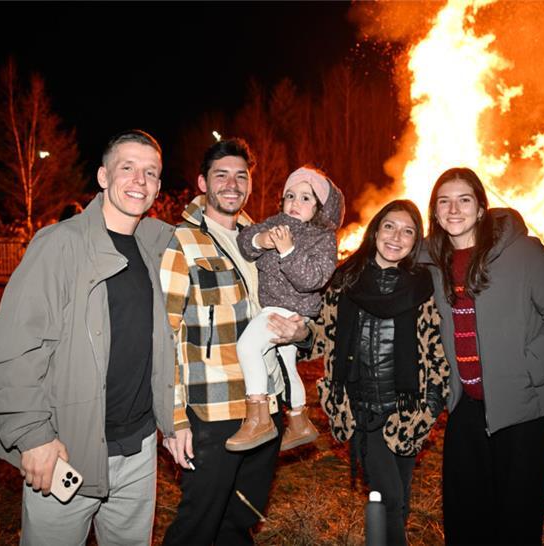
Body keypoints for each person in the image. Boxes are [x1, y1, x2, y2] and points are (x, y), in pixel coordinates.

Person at [0, 130, 176, 545]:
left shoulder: (156, 250)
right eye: (128, 168)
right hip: (67, 449)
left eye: (150, 172)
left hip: (138, 451)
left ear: (157, 186)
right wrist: (33, 436)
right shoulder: (59, 246)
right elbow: (11, 352)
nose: (140, 180)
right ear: (103, 176)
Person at [425, 167, 544, 545]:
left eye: (464, 200)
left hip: (525, 407)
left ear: (482, 209)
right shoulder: (433, 260)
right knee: (465, 513)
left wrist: (528, 370)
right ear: (434, 212)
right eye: (443, 202)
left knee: (516, 518)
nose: (454, 210)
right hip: (466, 405)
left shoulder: (522, 254)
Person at [160, 138, 311, 545]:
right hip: (214, 408)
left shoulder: (262, 238)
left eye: (241, 176)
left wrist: (303, 333)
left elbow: (297, 303)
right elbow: (165, 335)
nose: (232, 184)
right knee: (199, 522)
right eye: (221, 175)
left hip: (268, 402)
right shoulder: (182, 241)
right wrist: (174, 420)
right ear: (202, 182)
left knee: (241, 519)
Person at [310, 199, 450, 546]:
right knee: (389, 498)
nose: (396, 237)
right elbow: (321, 336)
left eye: (407, 231)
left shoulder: (423, 285)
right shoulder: (344, 279)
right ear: (375, 230)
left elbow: (436, 350)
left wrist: (431, 404)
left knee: (399, 499)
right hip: (363, 411)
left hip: (407, 410)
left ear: (416, 240)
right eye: (389, 226)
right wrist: (294, 332)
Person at [226, 166, 345, 452]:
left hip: (287, 310)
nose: (295, 202)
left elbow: (313, 279)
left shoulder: (322, 237)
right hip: (274, 307)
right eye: (290, 195)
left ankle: (259, 416)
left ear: (320, 206)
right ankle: (298, 420)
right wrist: (260, 240)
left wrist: (288, 251)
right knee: (286, 364)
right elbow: (246, 240)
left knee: (247, 348)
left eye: (306, 198)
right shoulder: (275, 223)